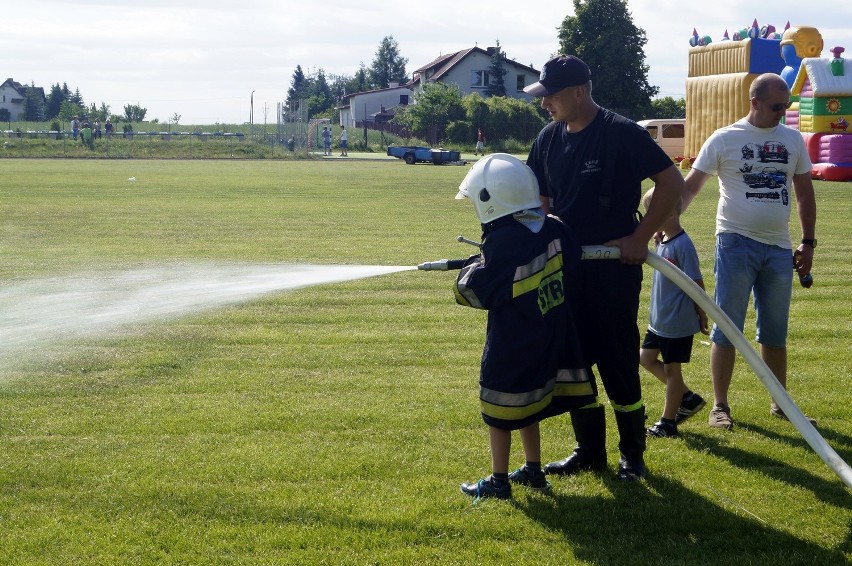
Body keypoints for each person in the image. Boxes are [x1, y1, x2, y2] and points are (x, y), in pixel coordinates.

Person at [524, 54, 684, 481]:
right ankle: (588, 451)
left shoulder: (620, 134)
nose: (545, 105)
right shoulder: (547, 140)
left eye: (551, 96)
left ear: (579, 91)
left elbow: (672, 183)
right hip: (566, 269)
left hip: (613, 268)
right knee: (575, 361)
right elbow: (540, 202)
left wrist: (639, 237)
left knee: (616, 360)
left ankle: (632, 454)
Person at [454, 153, 598, 499]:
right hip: (550, 338)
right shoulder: (554, 226)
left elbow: (474, 291)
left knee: (499, 412)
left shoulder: (504, 240)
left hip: (512, 344)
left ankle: (499, 481)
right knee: (531, 403)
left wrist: (471, 268)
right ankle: (533, 470)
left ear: (492, 199)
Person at [682, 73, 817, 429]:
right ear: (754, 102)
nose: (782, 112)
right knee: (727, 327)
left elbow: (804, 192)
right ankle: (720, 406)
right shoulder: (725, 139)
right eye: (776, 106)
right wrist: (664, 225)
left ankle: (781, 403)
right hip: (735, 243)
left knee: (775, 331)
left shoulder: (792, 139)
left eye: (786, 106)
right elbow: (690, 189)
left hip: (778, 248)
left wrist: (808, 242)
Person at [639, 188, 709, 438]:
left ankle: (667, 422)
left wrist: (702, 313)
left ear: (668, 212)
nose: (649, 218)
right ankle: (687, 397)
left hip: (676, 322)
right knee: (645, 358)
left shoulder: (683, 245)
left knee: (672, 371)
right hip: (660, 321)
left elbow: (695, 283)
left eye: (652, 212)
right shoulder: (664, 241)